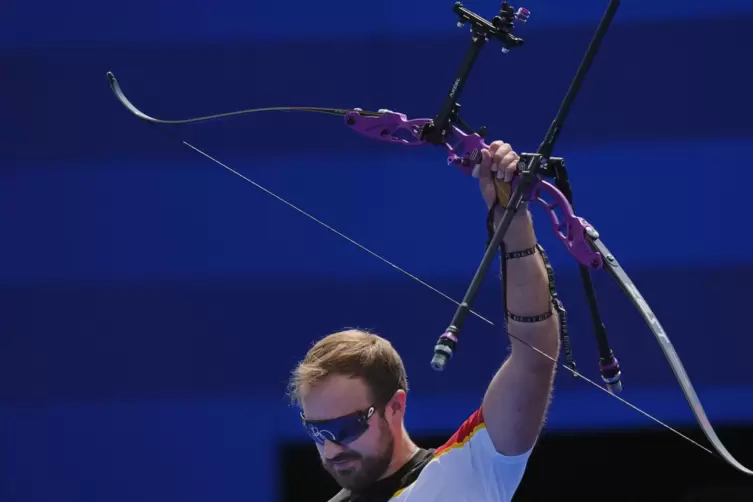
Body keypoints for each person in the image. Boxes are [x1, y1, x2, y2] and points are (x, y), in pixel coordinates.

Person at [287, 140, 562, 501]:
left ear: (395, 407)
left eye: (346, 427)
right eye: (318, 432)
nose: (333, 449)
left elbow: (534, 358)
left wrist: (513, 221)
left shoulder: (468, 470)